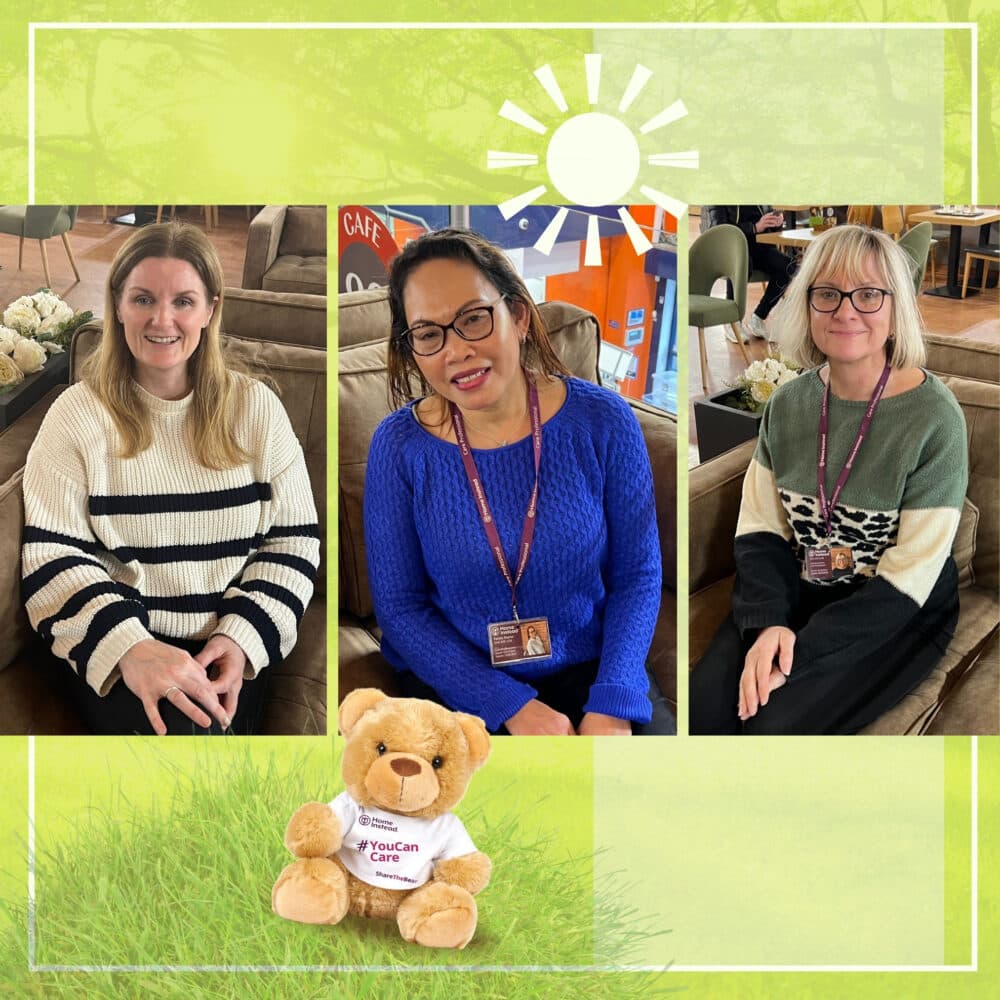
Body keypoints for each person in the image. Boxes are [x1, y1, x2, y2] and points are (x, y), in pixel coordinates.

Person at [363, 228, 673, 736]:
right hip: (461, 682)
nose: (456, 350)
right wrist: (510, 706)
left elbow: (638, 575)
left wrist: (614, 699)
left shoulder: (604, 422)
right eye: (427, 333)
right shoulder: (398, 447)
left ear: (519, 316)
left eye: (473, 318)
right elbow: (400, 611)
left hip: (591, 667)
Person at [21, 221, 320, 735]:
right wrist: (132, 648)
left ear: (210, 309)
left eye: (183, 301)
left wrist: (240, 639)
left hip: (226, 644)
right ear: (117, 305)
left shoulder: (258, 411)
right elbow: (51, 555)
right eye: (143, 299)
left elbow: (293, 541)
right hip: (120, 645)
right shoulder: (76, 416)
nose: (163, 319)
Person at [690, 225, 967, 735]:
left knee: (771, 726)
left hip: (895, 607)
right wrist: (769, 622)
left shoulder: (934, 418)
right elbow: (760, 529)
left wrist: (801, 650)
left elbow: (910, 575)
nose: (845, 310)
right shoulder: (790, 403)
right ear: (808, 304)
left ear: (894, 309)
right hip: (799, 586)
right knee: (704, 711)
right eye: (828, 294)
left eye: (867, 294)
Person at [703, 205, 798, 341]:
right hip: (731, 249)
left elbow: (767, 222)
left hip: (759, 247)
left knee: (788, 267)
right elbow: (719, 229)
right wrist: (754, 227)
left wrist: (776, 222)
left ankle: (759, 316)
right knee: (742, 263)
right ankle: (732, 321)